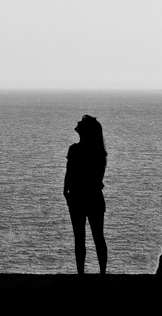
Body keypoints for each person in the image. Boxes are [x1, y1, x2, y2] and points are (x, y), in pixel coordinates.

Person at [63, 114, 108, 277]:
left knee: (80, 238)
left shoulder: (74, 150)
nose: (77, 123)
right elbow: (96, 178)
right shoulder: (99, 152)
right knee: (98, 237)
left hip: (78, 196)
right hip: (93, 196)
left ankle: (81, 275)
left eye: (81, 122)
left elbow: (69, 174)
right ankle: (102, 274)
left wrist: (67, 192)